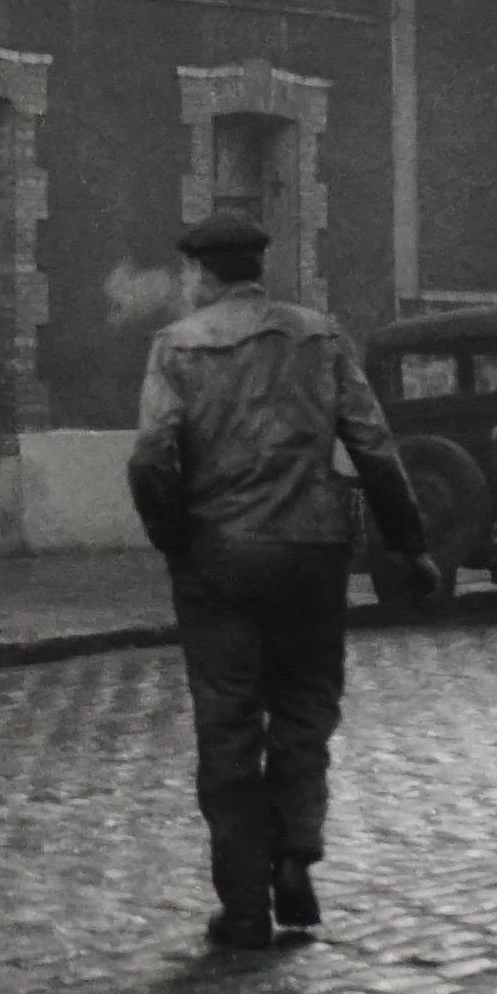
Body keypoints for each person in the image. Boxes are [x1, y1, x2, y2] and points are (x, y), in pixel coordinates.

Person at [128, 213, 440, 952]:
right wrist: (411, 544)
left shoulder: (177, 347)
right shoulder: (320, 338)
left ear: (203, 275)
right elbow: (374, 446)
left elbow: (150, 459)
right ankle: (296, 854)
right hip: (311, 552)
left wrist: (178, 541)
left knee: (228, 723)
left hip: (223, 555)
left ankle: (242, 908)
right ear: (259, 269)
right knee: (304, 711)